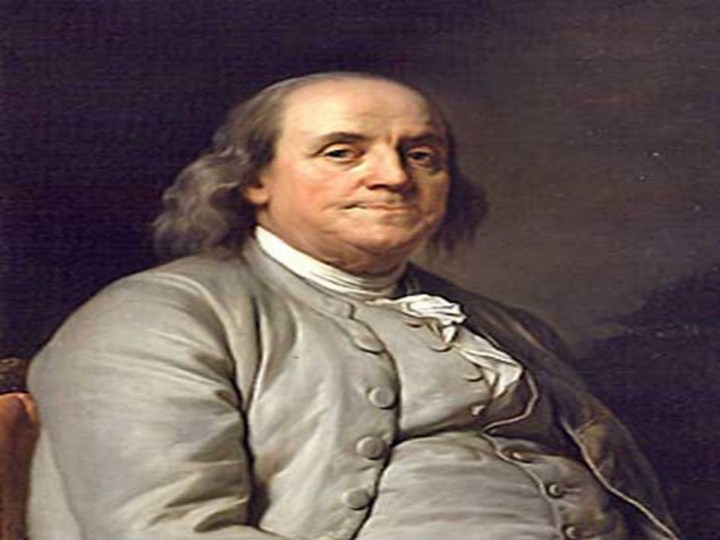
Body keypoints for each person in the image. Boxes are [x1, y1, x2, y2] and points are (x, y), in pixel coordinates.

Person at [28, 72, 681, 539]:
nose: (393, 177)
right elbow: (164, 528)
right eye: (342, 152)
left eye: (421, 156)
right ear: (254, 180)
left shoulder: (509, 326)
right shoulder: (157, 319)